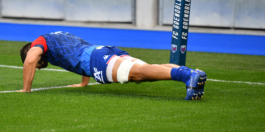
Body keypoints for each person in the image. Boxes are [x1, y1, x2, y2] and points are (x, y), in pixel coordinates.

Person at [18, 31, 207, 100]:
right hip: (101, 51)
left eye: (38, 66)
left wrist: (26, 89)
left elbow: (30, 60)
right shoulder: (55, 38)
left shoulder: (39, 43)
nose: (37, 67)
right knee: (145, 70)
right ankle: (191, 74)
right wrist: (84, 83)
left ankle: (185, 76)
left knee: (138, 74)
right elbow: (79, 54)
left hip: (96, 60)